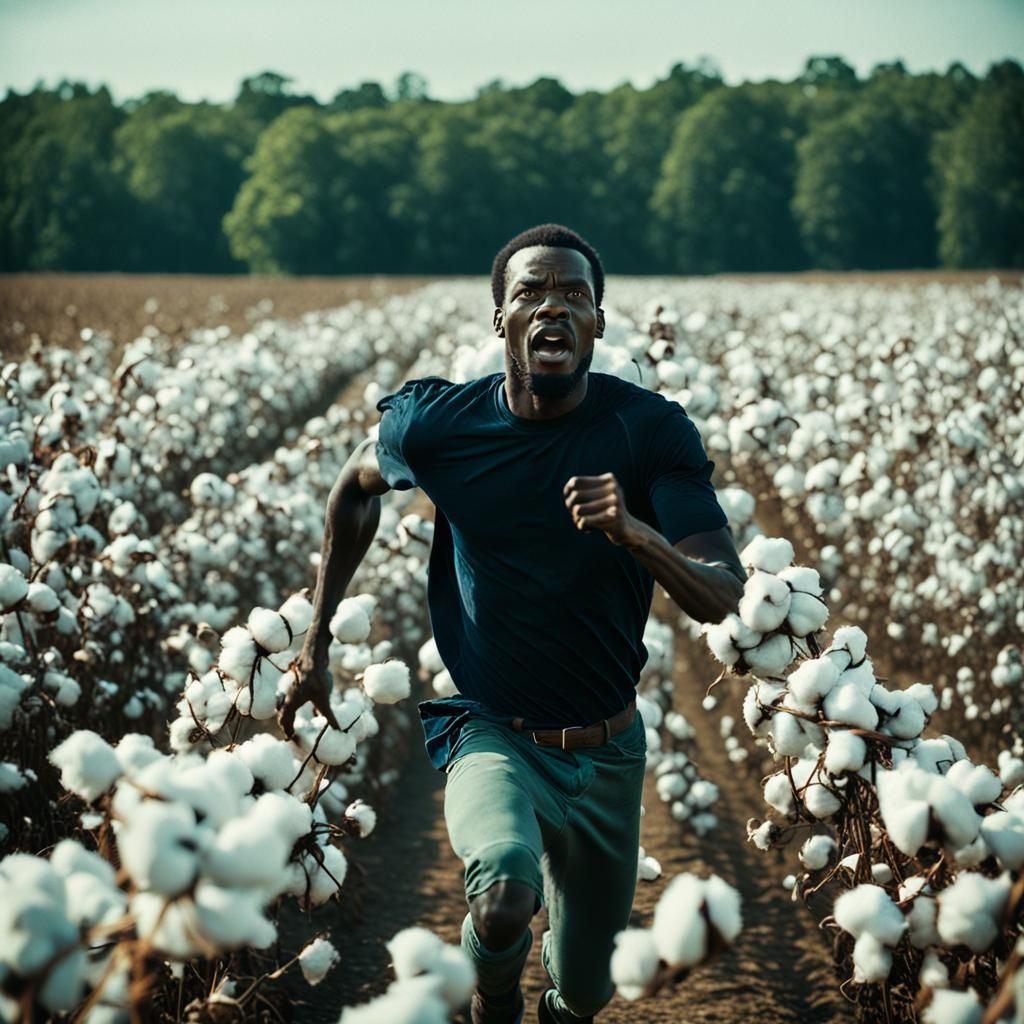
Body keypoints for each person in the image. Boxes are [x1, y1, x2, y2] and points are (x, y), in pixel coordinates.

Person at [281, 224, 745, 1023]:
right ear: (500, 319)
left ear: (599, 323)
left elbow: (722, 594)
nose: (552, 307)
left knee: (587, 994)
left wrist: (635, 534)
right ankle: (489, 1004)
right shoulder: (437, 426)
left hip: (608, 750)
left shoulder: (650, 430)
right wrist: (315, 644)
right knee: (500, 894)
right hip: (493, 730)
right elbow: (354, 489)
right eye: (531, 292)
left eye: (574, 294)